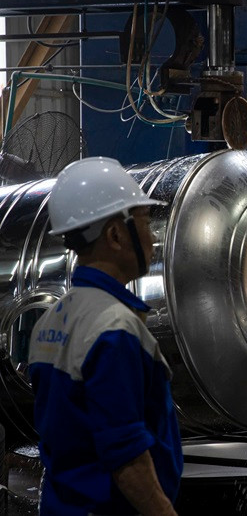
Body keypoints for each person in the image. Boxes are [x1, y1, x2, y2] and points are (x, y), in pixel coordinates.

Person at [28, 157, 182, 516]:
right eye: (144, 222)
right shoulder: (114, 330)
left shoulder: (49, 322)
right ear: (115, 235)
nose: (153, 237)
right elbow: (126, 459)